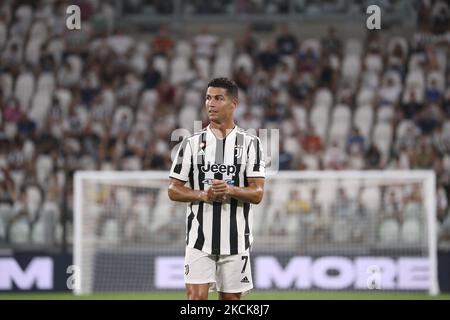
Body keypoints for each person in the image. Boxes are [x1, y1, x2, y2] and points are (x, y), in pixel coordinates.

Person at [168, 77, 265, 300]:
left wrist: (229, 190)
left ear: (234, 104)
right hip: (199, 239)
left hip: (236, 239)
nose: (211, 103)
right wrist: (204, 194)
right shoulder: (191, 144)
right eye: (208, 98)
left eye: (218, 98)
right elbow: (173, 189)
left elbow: (258, 194)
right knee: (196, 300)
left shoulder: (251, 144)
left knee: (231, 301)